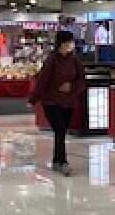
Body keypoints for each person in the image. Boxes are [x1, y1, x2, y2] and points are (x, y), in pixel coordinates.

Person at [29, 31, 84, 175]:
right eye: (67, 43)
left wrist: (71, 86)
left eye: (71, 43)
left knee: (61, 131)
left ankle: (56, 160)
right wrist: (33, 99)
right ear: (60, 43)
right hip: (51, 101)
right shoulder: (52, 60)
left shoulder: (74, 61)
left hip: (68, 102)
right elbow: (42, 81)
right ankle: (63, 162)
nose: (70, 46)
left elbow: (81, 80)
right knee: (59, 129)